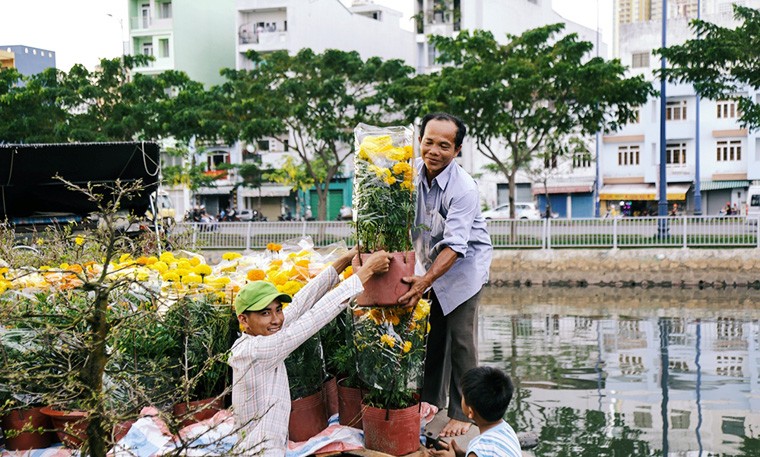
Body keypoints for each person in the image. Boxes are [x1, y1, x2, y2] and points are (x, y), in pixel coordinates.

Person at [228, 248, 392, 456]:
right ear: (244, 320)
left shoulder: (259, 338)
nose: (277, 319)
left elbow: (299, 305)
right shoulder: (258, 351)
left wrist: (343, 260)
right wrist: (365, 272)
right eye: (265, 313)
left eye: (278, 309)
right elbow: (314, 318)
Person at [399, 112, 493, 437]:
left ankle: (464, 414)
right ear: (420, 141)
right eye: (428, 142)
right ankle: (429, 402)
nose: (434, 151)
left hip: (464, 269)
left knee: (461, 340)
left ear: (457, 150)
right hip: (431, 267)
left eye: (444, 145)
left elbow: (454, 246)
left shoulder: (464, 187)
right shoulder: (409, 174)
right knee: (432, 334)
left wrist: (423, 281)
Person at [428, 367, 522, 457]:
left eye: (463, 396)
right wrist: (462, 454)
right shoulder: (507, 430)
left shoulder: (479, 448)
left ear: (470, 412)